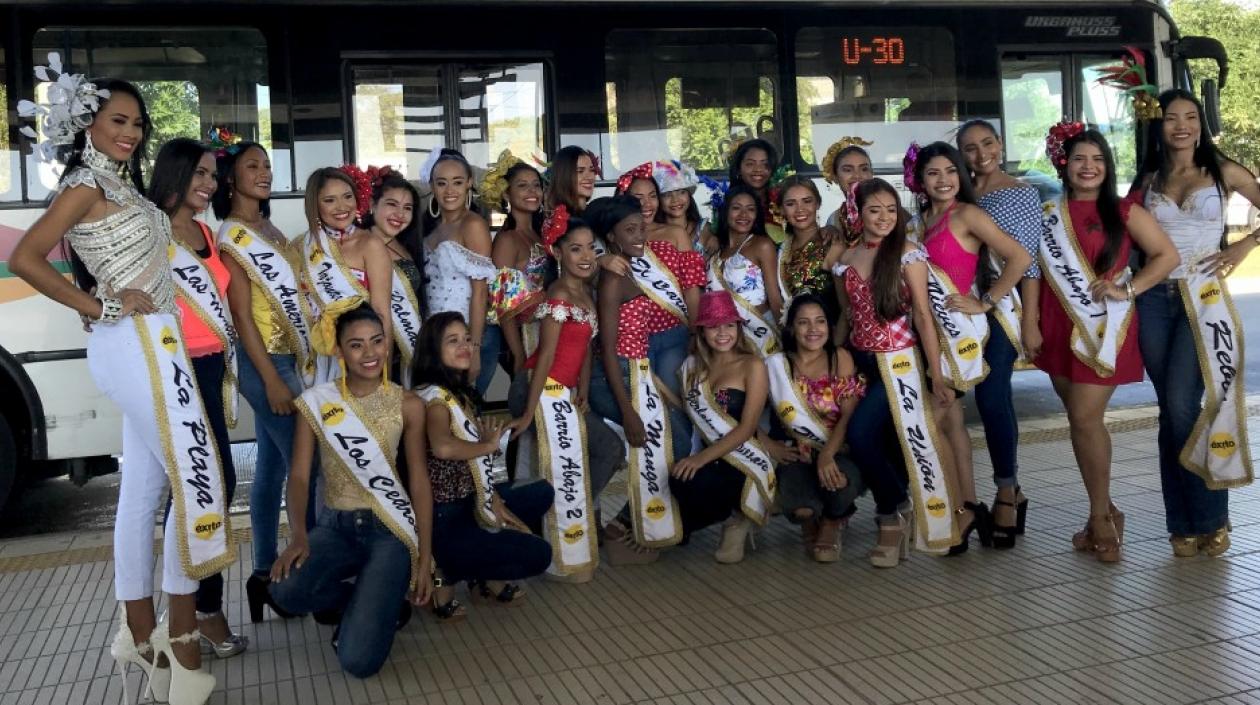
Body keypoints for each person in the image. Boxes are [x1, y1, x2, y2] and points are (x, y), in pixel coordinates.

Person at [11, 65, 228, 704]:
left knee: (144, 490)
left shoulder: (119, 186)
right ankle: (181, 639)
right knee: (200, 481)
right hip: (131, 344)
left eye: (136, 123)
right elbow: (26, 257)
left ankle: (139, 632)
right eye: (117, 121)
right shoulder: (84, 185)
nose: (130, 132)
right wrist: (99, 303)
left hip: (150, 346)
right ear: (88, 125)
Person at [1029, 123, 1179, 562]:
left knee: (1084, 416)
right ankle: (1107, 508)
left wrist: (1128, 289)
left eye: (1097, 159)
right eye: (1079, 159)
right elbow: (1034, 271)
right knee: (1080, 422)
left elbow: (1167, 257)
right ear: (1065, 165)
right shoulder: (1047, 213)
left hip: (1102, 328)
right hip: (1057, 327)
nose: (1088, 167)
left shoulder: (1124, 210)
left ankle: (1099, 518)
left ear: (1107, 166)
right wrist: (1031, 324)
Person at [269, 305, 434, 678]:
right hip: (335, 527)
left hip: (389, 531)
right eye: (357, 345)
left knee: (359, 663)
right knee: (285, 592)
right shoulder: (317, 402)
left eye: (377, 341)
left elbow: (419, 481)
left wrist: (424, 557)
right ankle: (372, 603)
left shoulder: (408, 404)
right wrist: (298, 536)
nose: (370, 353)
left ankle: (377, 601)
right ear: (340, 352)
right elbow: (297, 477)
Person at [1130, 90, 1259, 556]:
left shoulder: (1223, 172)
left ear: (1201, 124)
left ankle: (1210, 516)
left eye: (1190, 117)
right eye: (1170, 118)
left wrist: (1244, 246)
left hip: (1203, 300)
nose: (1181, 126)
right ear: (1157, 127)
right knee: (1171, 412)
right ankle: (1181, 523)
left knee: (1185, 405)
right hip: (1153, 302)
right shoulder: (1146, 180)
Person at [148, 137, 247, 658]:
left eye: (213, 176)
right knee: (206, 486)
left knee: (210, 487)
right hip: (176, 371)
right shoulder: (151, 233)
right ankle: (198, 612)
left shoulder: (206, 232)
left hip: (212, 368)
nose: (211, 185)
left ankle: (196, 609)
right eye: (202, 175)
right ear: (177, 174)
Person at [909, 141, 1032, 552]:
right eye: (933, 173)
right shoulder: (919, 221)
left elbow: (1018, 256)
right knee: (948, 419)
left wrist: (987, 300)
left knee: (947, 412)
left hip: (967, 331)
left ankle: (969, 507)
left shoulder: (967, 214)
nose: (942, 180)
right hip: (934, 332)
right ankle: (967, 505)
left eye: (949, 171)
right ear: (921, 180)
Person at [833, 178, 960, 567]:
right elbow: (846, 316)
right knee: (874, 442)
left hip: (899, 363)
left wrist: (935, 375)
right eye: (875, 210)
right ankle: (893, 516)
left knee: (861, 434)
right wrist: (835, 360)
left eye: (891, 210)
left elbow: (923, 315)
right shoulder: (846, 259)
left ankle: (895, 510)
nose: (885, 217)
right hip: (861, 361)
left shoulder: (908, 254)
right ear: (859, 213)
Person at [213, 139, 316, 619]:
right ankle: (310, 573)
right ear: (230, 178)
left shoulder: (267, 226)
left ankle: (263, 574)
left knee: (273, 470)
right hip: (266, 366)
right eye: (252, 165)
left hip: (287, 360)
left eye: (267, 165)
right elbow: (241, 316)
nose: (264, 172)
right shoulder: (232, 235)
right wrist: (272, 382)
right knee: (310, 467)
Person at [506, 208, 626, 581]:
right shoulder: (559, 293)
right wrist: (528, 411)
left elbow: (586, 349)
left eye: (592, 247)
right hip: (538, 388)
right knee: (558, 464)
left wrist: (584, 389)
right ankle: (554, 531)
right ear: (558, 253)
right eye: (576, 249)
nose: (587, 256)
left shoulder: (585, 291)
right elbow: (544, 358)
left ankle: (564, 512)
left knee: (609, 448)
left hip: (565, 392)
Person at [414, 312, 553, 614]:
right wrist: (485, 445)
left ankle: (481, 573)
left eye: (467, 339)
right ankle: (446, 573)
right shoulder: (435, 399)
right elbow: (442, 446)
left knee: (541, 492)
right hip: (444, 516)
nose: (465, 346)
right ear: (433, 350)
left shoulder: (457, 392)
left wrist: (494, 497)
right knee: (538, 555)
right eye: (453, 341)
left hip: (470, 501)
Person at [587, 195, 696, 564]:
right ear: (611, 236)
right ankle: (626, 525)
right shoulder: (613, 278)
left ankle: (629, 523)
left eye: (642, 227)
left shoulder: (632, 268)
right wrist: (628, 412)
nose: (640, 236)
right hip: (615, 379)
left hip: (637, 374)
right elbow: (609, 349)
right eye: (630, 230)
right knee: (675, 444)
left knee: (677, 443)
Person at [955, 120, 1042, 547]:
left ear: (1001, 144)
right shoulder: (962, 193)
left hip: (1001, 308)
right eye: (969, 148)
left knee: (992, 396)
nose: (980, 154)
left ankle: (1007, 488)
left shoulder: (1020, 192)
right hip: (961, 310)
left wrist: (1029, 321)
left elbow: (1029, 264)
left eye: (987, 143)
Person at [763, 294, 865, 562]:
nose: (813, 330)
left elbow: (848, 415)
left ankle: (833, 520)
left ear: (829, 326)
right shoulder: (776, 366)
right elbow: (745, 416)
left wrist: (828, 455)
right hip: (796, 453)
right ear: (791, 328)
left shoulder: (839, 357)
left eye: (820, 321)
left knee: (839, 484)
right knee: (800, 509)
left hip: (837, 450)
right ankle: (810, 520)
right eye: (803, 323)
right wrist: (769, 444)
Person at [675, 290, 773, 564]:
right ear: (702, 332)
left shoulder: (752, 365)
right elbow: (684, 406)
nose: (722, 333)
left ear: (738, 329)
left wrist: (700, 458)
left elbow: (747, 427)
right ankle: (715, 518)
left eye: (729, 325)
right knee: (678, 478)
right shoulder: (692, 367)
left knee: (693, 473)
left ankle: (737, 518)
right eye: (714, 326)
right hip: (712, 458)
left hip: (743, 459)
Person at [300, 167, 394, 384]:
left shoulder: (370, 244)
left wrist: (383, 370)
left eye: (347, 197)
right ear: (315, 205)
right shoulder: (303, 246)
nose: (342, 207)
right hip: (320, 355)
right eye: (330, 200)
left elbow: (382, 311)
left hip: (362, 354)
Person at [420, 148, 497, 392]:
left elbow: (480, 293)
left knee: (462, 411)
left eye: (457, 182)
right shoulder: (430, 228)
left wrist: (473, 348)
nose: (449, 191)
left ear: (469, 184)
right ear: (432, 186)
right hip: (437, 338)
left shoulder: (473, 224)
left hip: (468, 336)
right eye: (442, 183)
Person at [483, 152, 551, 376]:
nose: (532, 192)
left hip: (547, 328)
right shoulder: (507, 239)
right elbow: (503, 304)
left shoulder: (540, 232)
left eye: (536, 185)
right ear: (506, 193)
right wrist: (518, 352)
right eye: (523, 186)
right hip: (525, 335)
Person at [357, 167, 425, 385]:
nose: (400, 214)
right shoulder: (358, 245)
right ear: (372, 205)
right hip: (373, 353)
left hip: (408, 352)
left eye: (407, 208)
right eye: (391, 204)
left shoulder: (406, 245)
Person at [707, 184, 783, 356]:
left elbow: (774, 296)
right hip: (724, 336)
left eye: (750, 209)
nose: (743, 215)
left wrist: (786, 336)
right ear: (725, 212)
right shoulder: (715, 250)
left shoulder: (762, 245)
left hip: (759, 331)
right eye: (736, 208)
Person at [776, 175, 845, 322]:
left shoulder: (833, 244)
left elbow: (846, 308)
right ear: (781, 209)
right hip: (794, 336)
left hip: (827, 335)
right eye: (790, 204)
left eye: (807, 201)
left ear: (818, 203)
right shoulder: (780, 250)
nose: (800, 209)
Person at [651, 159, 711, 256]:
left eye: (681, 192)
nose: (675, 200)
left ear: (689, 195)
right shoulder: (653, 232)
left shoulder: (704, 229)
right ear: (658, 199)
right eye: (667, 194)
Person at [820, 137, 875, 237]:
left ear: (872, 174)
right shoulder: (834, 220)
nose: (857, 176)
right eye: (848, 170)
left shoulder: (892, 212)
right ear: (835, 176)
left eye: (864, 169)